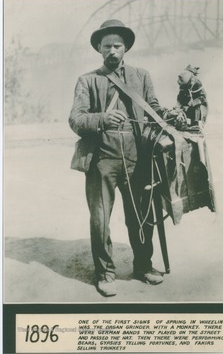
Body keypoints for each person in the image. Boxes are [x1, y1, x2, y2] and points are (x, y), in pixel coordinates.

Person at [69, 19, 167, 297]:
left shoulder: (142, 76)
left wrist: (168, 116)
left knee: (143, 215)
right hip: (102, 159)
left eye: (118, 45)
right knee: (100, 219)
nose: (112, 50)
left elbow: (154, 109)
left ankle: (144, 266)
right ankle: (105, 273)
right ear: (99, 48)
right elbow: (75, 119)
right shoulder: (88, 80)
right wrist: (102, 118)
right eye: (107, 46)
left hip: (138, 156)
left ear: (125, 48)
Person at [175, 65, 208, 129]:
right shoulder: (183, 83)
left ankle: (195, 123)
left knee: (196, 108)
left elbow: (203, 97)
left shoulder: (197, 83)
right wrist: (178, 106)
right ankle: (183, 123)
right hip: (187, 103)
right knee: (180, 110)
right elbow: (180, 97)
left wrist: (193, 103)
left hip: (198, 104)